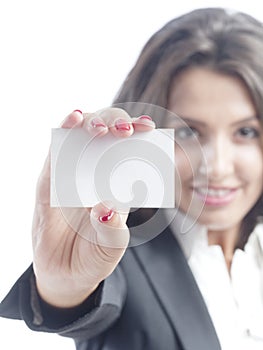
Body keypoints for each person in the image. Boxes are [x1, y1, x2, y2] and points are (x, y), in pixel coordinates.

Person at [1, 6, 263, 350]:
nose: (217, 167)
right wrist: (62, 286)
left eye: (245, 131)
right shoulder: (115, 250)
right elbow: (91, 300)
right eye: (187, 133)